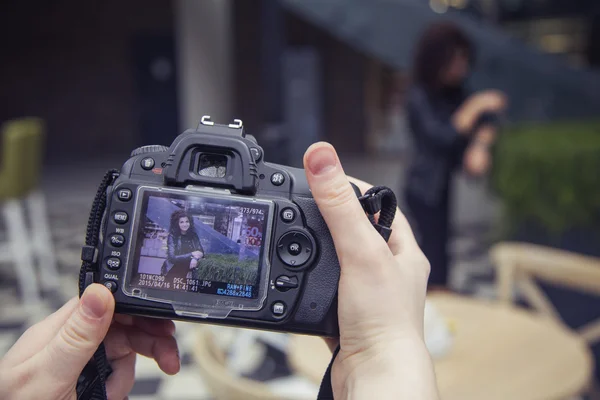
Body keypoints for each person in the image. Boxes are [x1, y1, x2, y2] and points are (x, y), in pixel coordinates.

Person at [0, 143, 438, 399]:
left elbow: (209, 251)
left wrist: (379, 353)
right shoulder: (177, 230)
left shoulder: (205, 234)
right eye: (184, 218)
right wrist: (387, 354)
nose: (186, 221)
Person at [403, 21, 507, 290]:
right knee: (431, 251)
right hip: (423, 186)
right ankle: (434, 300)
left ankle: (441, 295)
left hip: (443, 184)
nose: (461, 68)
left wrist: (480, 145)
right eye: (455, 61)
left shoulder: (455, 92)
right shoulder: (418, 95)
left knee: (442, 248)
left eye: (463, 61)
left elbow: (486, 122)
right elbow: (441, 136)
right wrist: (475, 106)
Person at [162, 210, 204, 281]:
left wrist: (195, 259)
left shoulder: (193, 235)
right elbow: (172, 258)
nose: (185, 224)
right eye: (181, 222)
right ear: (177, 224)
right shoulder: (172, 236)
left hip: (186, 273)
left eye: (187, 221)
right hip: (172, 272)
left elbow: (201, 252)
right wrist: (192, 254)